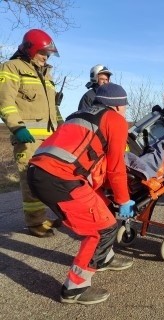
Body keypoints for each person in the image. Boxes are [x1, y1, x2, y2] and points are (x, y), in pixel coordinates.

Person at [27, 82, 134, 305]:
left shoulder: (79, 115)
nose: (125, 111)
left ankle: (103, 258)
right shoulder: (115, 120)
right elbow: (116, 167)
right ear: (116, 106)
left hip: (38, 172)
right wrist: (123, 199)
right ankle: (75, 288)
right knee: (103, 229)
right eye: (124, 106)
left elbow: (85, 158)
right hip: (59, 179)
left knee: (102, 207)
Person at [0, 29, 64, 237]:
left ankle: (44, 216)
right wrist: (17, 127)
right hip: (27, 138)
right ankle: (35, 222)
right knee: (30, 179)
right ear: (30, 49)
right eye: (43, 53)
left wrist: (62, 126)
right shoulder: (12, 68)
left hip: (50, 138)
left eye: (49, 54)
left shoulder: (46, 73)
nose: (46, 57)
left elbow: (53, 108)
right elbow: (5, 102)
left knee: (47, 179)